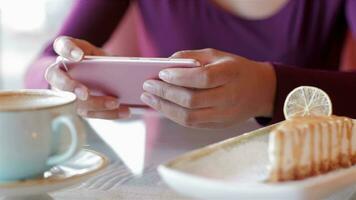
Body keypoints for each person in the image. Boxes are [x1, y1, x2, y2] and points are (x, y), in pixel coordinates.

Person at [25, 0, 356, 129]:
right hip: (170, 174)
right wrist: (58, 81)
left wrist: (267, 89)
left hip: (303, 172)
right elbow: (42, 65)